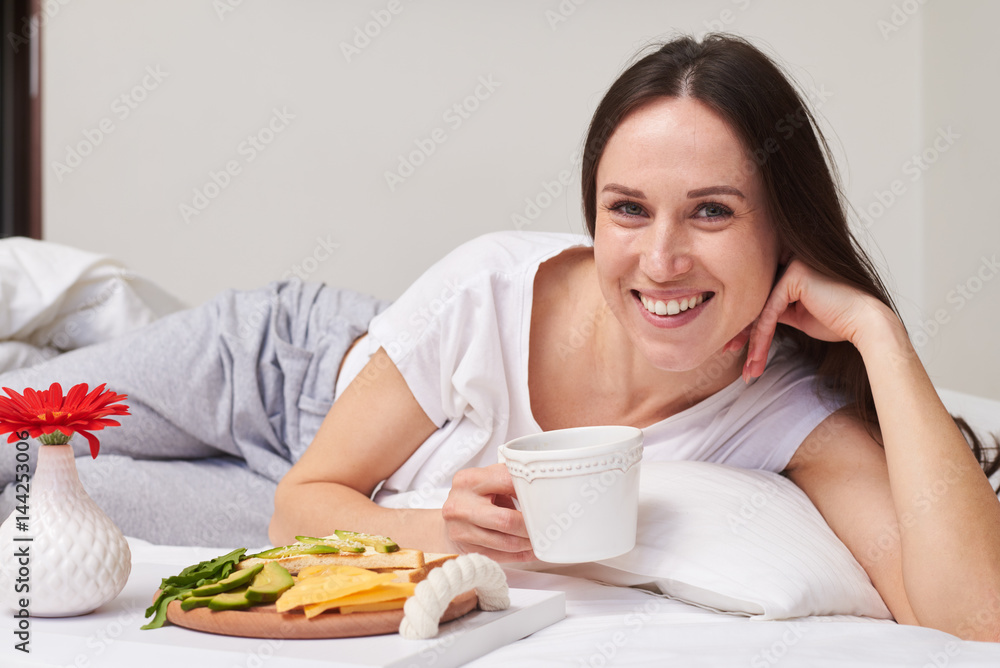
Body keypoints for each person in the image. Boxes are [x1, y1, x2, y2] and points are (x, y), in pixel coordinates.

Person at [1, 33, 998, 640]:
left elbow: (970, 617)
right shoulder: (492, 285)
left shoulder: (789, 411)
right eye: (626, 208)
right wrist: (441, 521)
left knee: (22, 496)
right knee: (17, 413)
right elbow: (317, 476)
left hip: (332, 511)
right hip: (279, 373)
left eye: (711, 213)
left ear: (783, 227)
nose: (658, 260)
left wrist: (877, 331)